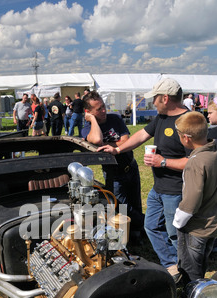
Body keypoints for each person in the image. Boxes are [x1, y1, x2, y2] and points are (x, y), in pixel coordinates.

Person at [98, 77, 190, 282]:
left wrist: (163, 162)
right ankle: (171, 265)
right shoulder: (161, 118)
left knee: (175, 234)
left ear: (165, 98)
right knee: (151, 226)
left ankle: (187, 272)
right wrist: (118, 149)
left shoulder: (188, 122)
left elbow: (195, 161)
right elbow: (141, 135)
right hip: (159, 189)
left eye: (155, 99)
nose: (152, 102)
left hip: (176, 190)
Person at [81, 90, 144, 242]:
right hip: (114, 175)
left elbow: (126, 141)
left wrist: (107, 145)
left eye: (104, 106)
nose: (104, 111)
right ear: (88, 112)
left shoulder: (115, 118)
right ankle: (143, 225)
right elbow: (96, 140)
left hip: (131, 167)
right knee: (122, 206)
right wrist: (93, 121)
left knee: (135, 202)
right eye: (98, 109)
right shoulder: (86, 129)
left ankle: (138, 232)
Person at [173, 111, 217, 282]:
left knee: (189, 269)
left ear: (186, 138)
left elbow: (192, 200)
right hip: (214, 223)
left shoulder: (195, 162)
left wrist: (178, 221)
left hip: (196, 227)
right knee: (201, 263)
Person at [207, 97, 217, 257]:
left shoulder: (214, 133)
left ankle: (213, 248)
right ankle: (216, 248)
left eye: (211, 113)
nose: (208, 116)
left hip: (215, 178)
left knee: (212, 212)